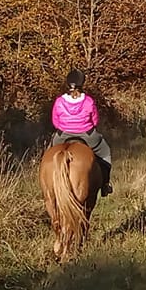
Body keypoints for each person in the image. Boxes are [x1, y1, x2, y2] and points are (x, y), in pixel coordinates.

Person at [49, 69, 111, 197]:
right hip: (87, 134)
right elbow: (95, 120)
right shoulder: (88, 101)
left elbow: (55, 121)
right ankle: (105, 184)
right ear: (82, 83)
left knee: (49, 155)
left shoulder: (59, 101)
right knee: (105, 152)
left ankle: (48, 184)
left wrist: (65, 127)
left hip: (63, 134)